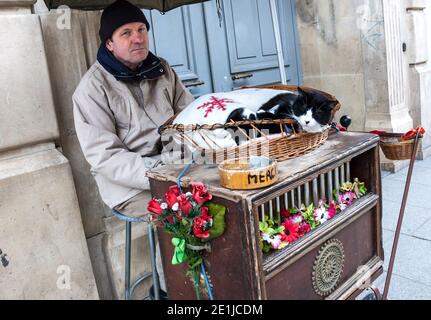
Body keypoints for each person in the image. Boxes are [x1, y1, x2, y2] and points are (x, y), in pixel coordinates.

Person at [72, 0, 194, 297]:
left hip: (176, 167)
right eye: (125, 32)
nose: (137, 37)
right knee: (179, 212)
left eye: (141, 29)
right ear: (110, 44)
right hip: (128, 184)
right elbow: (106, 157)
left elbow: (191, 117)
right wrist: (160, 174)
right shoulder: (91, 89)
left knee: (227, 193)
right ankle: (174, 291)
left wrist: (192, 156)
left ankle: (216, 277)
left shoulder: (161, 69)